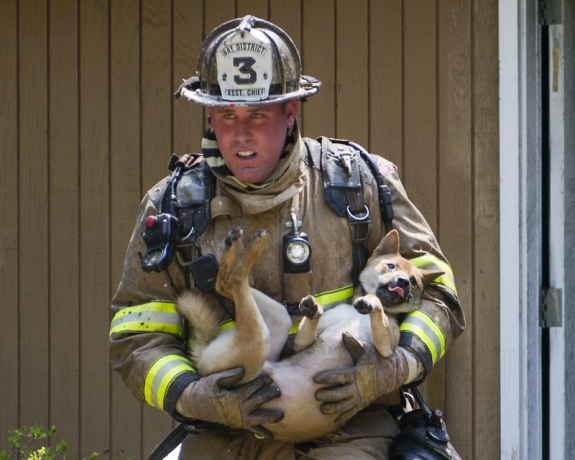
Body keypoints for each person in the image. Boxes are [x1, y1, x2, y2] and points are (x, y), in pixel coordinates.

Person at [109, 15, 465, 460]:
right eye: (226, 115)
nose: (241, 134)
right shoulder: (173, 207)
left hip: (354, 430)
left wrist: (395, 367)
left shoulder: (360, 182)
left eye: (258, 115)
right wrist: (193, 395)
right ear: (209, 114)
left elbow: (440, 294)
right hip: (226, 434)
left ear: (290, 111)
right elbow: (136, 334)